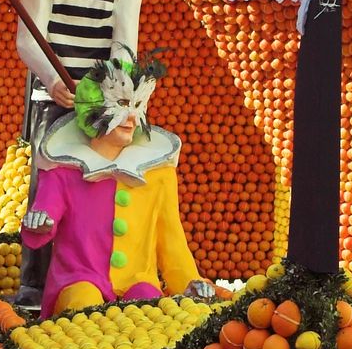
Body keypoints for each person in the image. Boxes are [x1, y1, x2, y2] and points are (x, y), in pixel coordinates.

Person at [13, 0, 141, 313]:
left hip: (103, 105)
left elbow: (124, 46)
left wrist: (103, 94)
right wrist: (52, 79)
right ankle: (33, 281)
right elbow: (29, 38)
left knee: (101, 190)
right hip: (52, 100)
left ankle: (102, 276)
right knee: (45, 186)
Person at [19, 56, 217, 316]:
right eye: (123, 104)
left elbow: (171, 237)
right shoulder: (64, 167)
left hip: (137, 280)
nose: (132, 117)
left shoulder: (158, 172)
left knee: (150, 310)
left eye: (138, 105)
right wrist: (40, 221)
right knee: (83, 304)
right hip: (78, 279)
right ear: (94, 107)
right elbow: (46, 211)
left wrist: (189, 282)